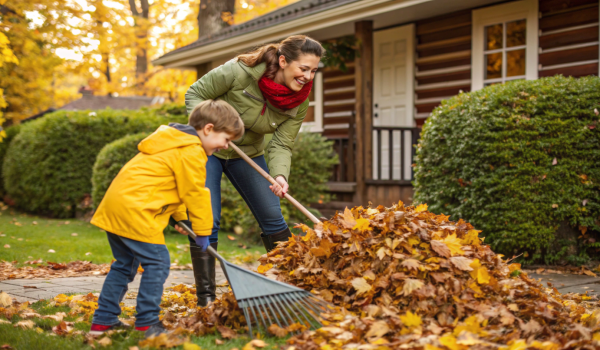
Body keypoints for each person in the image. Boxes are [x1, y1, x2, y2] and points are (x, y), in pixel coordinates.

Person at [184, 34, 324, 307]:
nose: (308, 77)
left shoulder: (299, 101)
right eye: (303, 69)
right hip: (208, 149)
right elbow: (195, 94)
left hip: (247, 154)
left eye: (314, 71)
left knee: (273, 217)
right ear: (283, 61)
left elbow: (282, 143)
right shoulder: (240, 71)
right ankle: (206, 300)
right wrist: (205, 134)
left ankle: (287, 288)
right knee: (207, 220)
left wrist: (281, 175)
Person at [88, 100, 244, 338]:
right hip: (136, 211)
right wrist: (203, 231)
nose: (227, 145)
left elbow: (173, 187)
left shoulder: (173, 143)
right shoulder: (191, 150)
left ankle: (104, 321)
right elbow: (195, 193)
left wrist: (181, 219)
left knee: (124, 264)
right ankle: (147, 322)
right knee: (158, 262)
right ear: (208, 129)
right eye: (226, 139)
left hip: (118, 207)